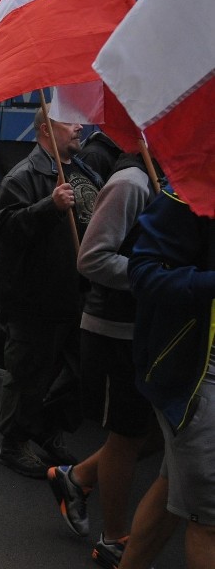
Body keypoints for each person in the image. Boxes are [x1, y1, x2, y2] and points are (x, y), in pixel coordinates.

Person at [45, 153, 160, 567]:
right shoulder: (132, 181)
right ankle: (114, 538)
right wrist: (159, 276)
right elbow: (91, 258)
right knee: (127, 437)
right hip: (115, 333)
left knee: (158, 436)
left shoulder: (170, 180)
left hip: (152, 334)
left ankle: (77, 477)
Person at [0, 108, 102, 478]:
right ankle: (13, 442)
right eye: (69, 121)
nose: (79, 126)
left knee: (76, 371)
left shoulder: (84, 170)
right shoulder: (23, 176)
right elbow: (6, 230)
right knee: (29, 372)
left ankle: (45, 430)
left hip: (77, 292)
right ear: (44, 129)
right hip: (35, 296)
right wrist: (49, 206)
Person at [125, 186, 215, 569]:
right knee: (210, 520)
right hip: (198, 375)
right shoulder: (190, 191)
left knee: (173, 494)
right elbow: (142, 271)